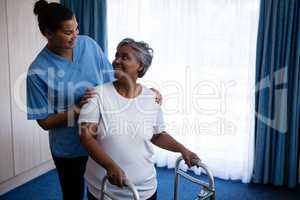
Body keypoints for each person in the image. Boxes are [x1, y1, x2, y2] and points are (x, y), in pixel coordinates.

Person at [78, 38, 199, 200]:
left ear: (140, 66)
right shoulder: (96, 95)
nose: (116, 61)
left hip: (145, 188)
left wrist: (183, 149)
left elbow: (157, 135)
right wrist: (110, 166)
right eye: (116, 55)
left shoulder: (151, 98)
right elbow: (86, 136)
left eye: (125, 57)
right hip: (105, 188)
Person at [26, 1, 115, 199]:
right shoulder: (37, 71)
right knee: (73, 194)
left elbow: (113, 81)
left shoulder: (88, 44)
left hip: (100, 139)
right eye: (68, 33)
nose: (75, 35)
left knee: (101, 192)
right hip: (69, 149)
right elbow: (44, 122)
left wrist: (143, 92)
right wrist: (76, 109)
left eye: (76, 28)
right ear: (48, 33)